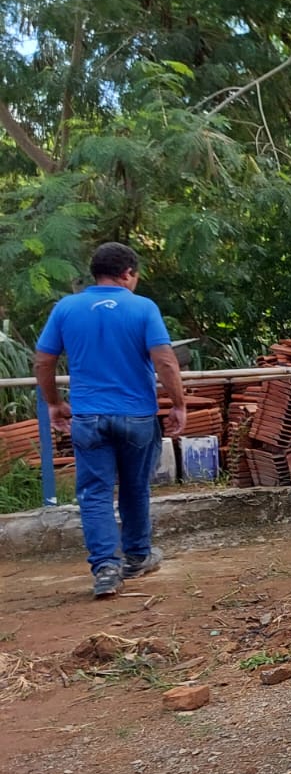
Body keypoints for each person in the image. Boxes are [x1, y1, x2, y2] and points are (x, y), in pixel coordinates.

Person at [33, 242, 186, 598]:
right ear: (128, 273)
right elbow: (165, 361)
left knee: (95, 493)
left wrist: (54, 404)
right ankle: (136, 556)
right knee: (135, 488)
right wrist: (178, 404)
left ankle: (105, 569)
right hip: (137, 416)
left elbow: (43, 362)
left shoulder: (66, 308)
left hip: (89, 417)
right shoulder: (142, 308)